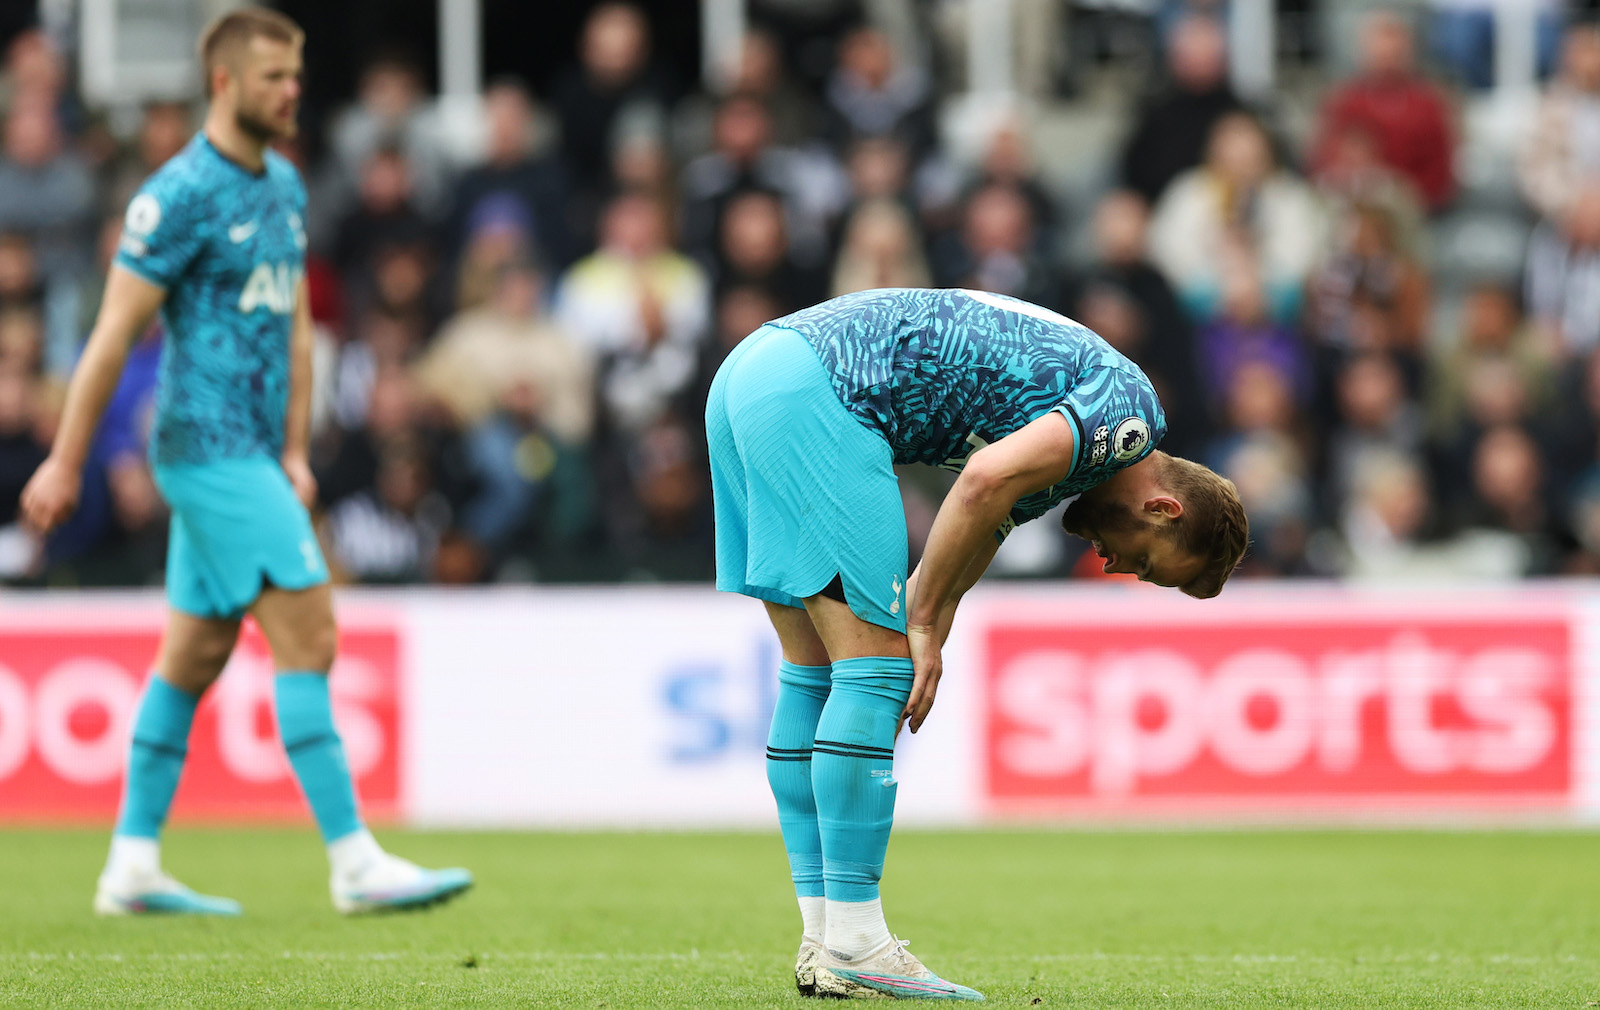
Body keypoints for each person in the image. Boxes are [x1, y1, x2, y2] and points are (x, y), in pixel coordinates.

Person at [18, 8, 471, 917]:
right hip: (204, 447)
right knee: (310, 632)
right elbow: (112, 335)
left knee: (192, 655)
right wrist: (64, 461)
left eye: (296, 74)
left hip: (259, 452)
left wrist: (297, 447)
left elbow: (295, 325)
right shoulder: (176, 194)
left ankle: (131, 867)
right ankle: (354, 863)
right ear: (223, 82)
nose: (291, 91)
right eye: (273, 77)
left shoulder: (286, 187)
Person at [705, 288, 1249, 999]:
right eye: (1145, 561)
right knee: (873, 670)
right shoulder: (1130, 421)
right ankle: (859, 944)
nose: (1119, 569)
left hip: (753, 372)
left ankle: (825, 937)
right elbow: (982, 481)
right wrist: (919, 626)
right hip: (824, 393)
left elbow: (980, 524)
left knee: (812, 672)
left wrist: (935, 623)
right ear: (1162, 508)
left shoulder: (1068, 456)